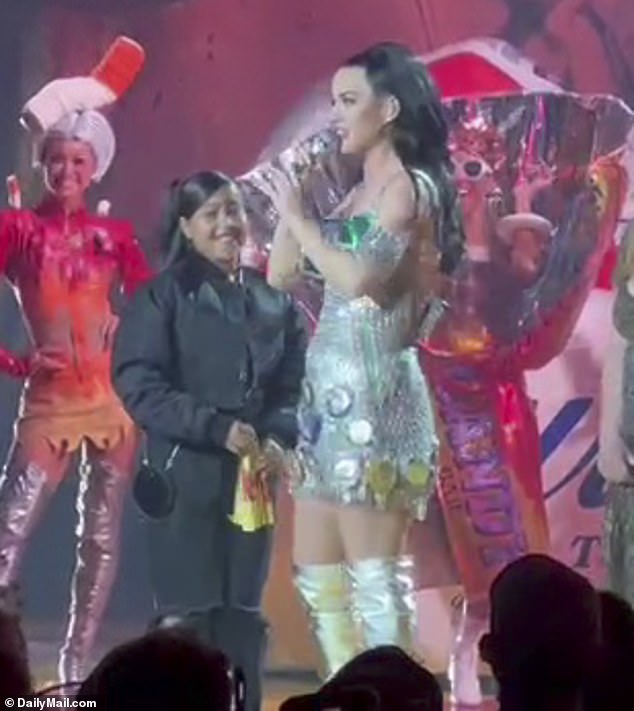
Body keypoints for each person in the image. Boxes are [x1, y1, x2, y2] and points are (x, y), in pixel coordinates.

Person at [263, 41, 464, 676]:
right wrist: (294, 204)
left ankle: (394, 698)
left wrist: (300, 218)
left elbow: (358, 281)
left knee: (376, 581)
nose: (336, 115)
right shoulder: (352, 196)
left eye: (348, 101)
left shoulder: (408, 191)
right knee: (319, 580)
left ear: (390, 110)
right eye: (333, 102)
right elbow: (280, 274)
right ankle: (346, 696)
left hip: (377, 404)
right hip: (325, 404)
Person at [111, 170, 307, 711]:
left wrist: (277, 437)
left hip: (251, 483)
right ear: (186, 226)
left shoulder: (273, 303)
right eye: (211, 214)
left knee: (242, 616)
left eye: (233, 210)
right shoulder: (161, 298)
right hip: (183, 480)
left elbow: (291, 386)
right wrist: (215, 427)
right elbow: (139, 384)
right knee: (188, 617)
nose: (226, 223)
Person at [0, 102, 152, 684]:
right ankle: (6, 668)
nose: (67, 171)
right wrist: (17, 362)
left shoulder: (113, 237)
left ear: (95, 169)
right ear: (42, 163)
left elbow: (153, 305)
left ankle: (75, 672)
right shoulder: (19, 230)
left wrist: (127, 321)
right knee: (8, 533)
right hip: (50, 400)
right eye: (57, 159)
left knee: (100, 538)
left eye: (79, 161)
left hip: (110, 401)